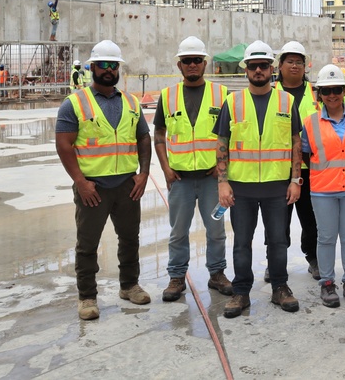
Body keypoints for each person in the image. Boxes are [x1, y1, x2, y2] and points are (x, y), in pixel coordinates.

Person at [54, 40, 152, 320]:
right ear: (92, 67)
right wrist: (80, 182)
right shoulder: (74, 103)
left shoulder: (131, 103)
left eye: (114, 65)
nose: (109, 70)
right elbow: (63, 145)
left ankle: (129, 286)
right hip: (92, 187)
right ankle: (87, 297)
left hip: (126, 185)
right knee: (88, 245)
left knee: (130, 238)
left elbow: (143, 137)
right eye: (103, 65)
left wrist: (143, 173)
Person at [214, 40, 302, 318]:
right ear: (246, 70)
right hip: (242, 188)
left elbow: (295, 142)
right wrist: (223, 182)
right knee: (241, 242)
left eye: (264, 65)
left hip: (277, 187)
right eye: (253, 66)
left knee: (278, 240)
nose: (259, 70)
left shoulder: (287, 101)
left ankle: (280, 288)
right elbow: (222, 143)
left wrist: (295, 180)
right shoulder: (233, 102)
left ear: (272, 68)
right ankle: (241, 293)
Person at [154, 36, 232, 302]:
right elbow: (159, 134)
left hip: (212, 179)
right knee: (178, 232)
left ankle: (217, 273)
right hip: (181, 181)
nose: (192, 65)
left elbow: (232, 134)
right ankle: (177, 277)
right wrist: (165, 169)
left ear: (204, 63)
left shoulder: (222, 95)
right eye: (187, 61)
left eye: (197, 60)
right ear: (179, 65)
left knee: (216, 230)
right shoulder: (168, 96)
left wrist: (222, 170)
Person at [301, 64, 345, 308]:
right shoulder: (310, 123)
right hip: (323, 190)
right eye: (326, 91)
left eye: (336, 90)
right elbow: (306, 154)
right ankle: (327, 283)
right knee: (326, 237)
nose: (332, 95)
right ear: (320, 94)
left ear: (343, 91)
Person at [275, 40, 321, 281]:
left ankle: (313, 259)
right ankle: (276, 262)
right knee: (278, 220)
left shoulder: (317, 94)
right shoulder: (270, 93)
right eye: (290, 61)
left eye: (299, 62)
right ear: (280, 65)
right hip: (280, 169)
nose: (295, 66)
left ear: (305, 66)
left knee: (311, 219)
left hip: (311, 168)